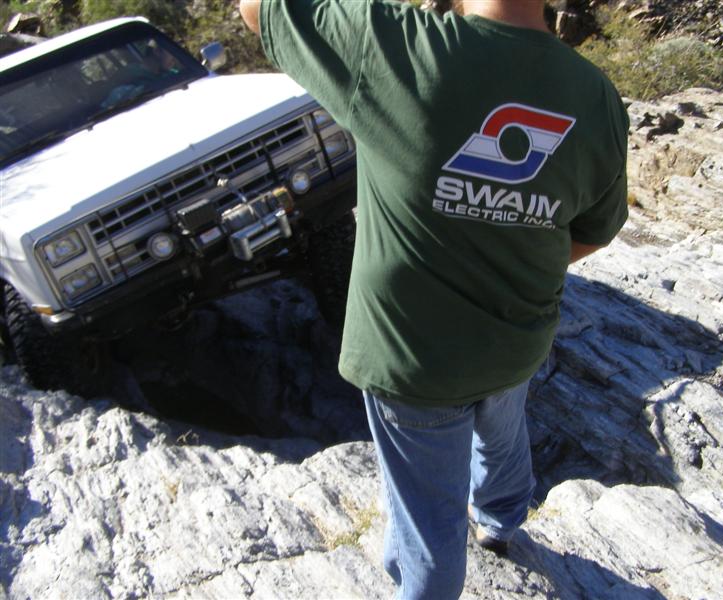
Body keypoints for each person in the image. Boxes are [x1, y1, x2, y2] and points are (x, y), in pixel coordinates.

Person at [240, 1, 629, 598]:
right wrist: (512, 250)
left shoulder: (392, 45)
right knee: (501, 428)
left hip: (413, 356)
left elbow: (257, 8)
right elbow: (594, 230)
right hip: (517, 335)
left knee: (428, 530)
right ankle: (501, 519)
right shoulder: (595, 94)